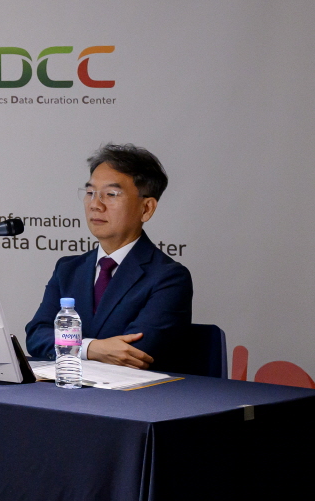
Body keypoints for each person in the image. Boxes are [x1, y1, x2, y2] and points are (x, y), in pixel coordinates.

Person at [25, 143, 192, 369]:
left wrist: (72, 347)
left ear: (146, 209)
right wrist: (91, 348)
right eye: (90, 193)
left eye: (111, 194)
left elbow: (135, 353)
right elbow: (37, 335)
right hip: (67, 385)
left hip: (135, 391)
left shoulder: (169, 277)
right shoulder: (68, 269)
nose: (95, 205)